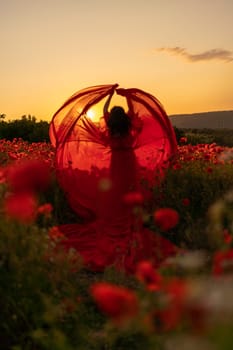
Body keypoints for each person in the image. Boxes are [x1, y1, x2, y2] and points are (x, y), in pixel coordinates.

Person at [50, 84, 178, 273]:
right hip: (129, 165)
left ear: (112, 121)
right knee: (129, 194)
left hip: (116, 166)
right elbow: (135, 113)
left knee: (116, 196)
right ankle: (129, 222)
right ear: (125, 118)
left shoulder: (110, 132)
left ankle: (117, 222)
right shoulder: (131, 130)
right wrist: (127, 97)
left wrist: (109, 94)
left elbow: (104, 111)